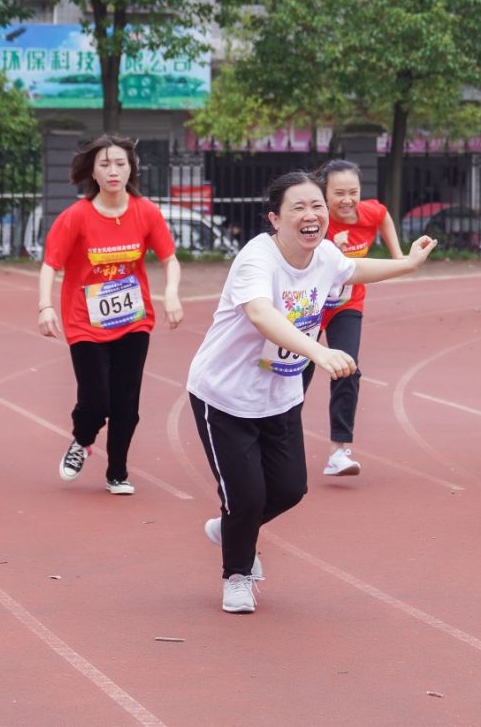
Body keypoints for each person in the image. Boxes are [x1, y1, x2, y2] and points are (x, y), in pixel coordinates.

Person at [187, 172, 436, 613]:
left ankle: (231, 531)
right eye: (298, 207)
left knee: (289, 489)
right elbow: (262, 314)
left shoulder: (324, 255)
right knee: (246, 496)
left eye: (317, 205)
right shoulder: (256, 260)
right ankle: (237, 575)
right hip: (225, 397)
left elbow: (354, 269)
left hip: (279, 393)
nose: (311, 215)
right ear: (275, 218)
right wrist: (318, 351)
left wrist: (408, 264)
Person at [37, 135, 181, 495]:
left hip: (133, 320)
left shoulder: (146, 212)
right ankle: (82, 439)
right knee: (96, 399)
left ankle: (117, 471)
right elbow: (50, 264)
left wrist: (171, 294)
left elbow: (169, 259)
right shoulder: (76, 217)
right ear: (93, 172)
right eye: (104, 164)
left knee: (126, 403)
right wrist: (45, 305)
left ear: (131, 169)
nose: (113, 171)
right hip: (85, 321)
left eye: (120, 163)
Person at [303, 160, 404, 478]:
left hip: (346, 304)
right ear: (324, 194)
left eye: (353, 192)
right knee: (296, 373)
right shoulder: (315, 219)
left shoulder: (368, 213)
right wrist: (328, 248)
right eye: (339, 193)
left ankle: (338, 451)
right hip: (307, 306)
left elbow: (383, 215)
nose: (347, 200)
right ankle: (276, 439)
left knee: (347, 368)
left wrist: (398, 255)